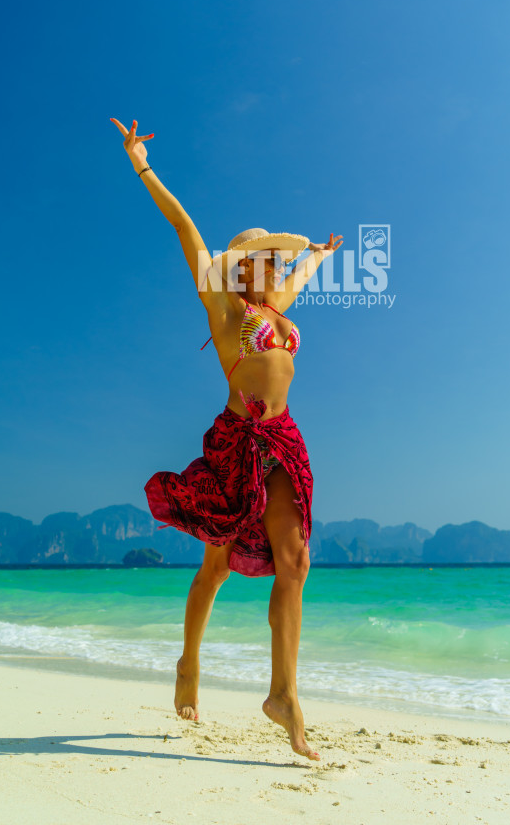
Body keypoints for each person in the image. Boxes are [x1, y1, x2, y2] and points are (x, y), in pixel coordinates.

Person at [110, 117, 343, 761]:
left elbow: (301, 280)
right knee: (215, 566)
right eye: (270, 259)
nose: (279, 267)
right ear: (243, 269)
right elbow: (186, 231)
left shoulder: (278, 310)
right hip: (239, 440)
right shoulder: (229, 311)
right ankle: (189, 662)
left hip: (284, 442)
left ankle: (283, 694)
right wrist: (141, 163)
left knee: (293, 562)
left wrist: (319, 257)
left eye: (281, 261)